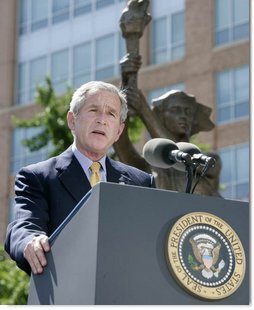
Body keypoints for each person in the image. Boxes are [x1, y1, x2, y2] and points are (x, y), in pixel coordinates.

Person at [4, 81, 156, 275]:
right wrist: (30, 242)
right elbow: (24, 227)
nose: (102, 120)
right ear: (72, 120)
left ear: (118, 131)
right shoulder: (38, 177)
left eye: (111, 113)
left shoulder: (141, 182)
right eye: (93, 110)